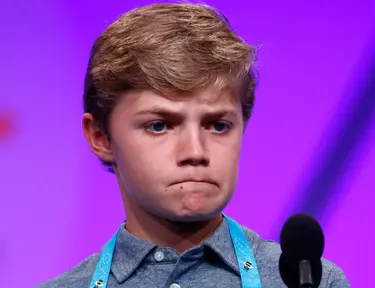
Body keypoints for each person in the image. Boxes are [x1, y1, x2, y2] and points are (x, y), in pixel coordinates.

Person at [38, 3, 350, 288]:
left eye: (218, 125)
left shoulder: (313, 282)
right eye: (159, 126)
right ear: (100, 137)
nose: (196, 152)